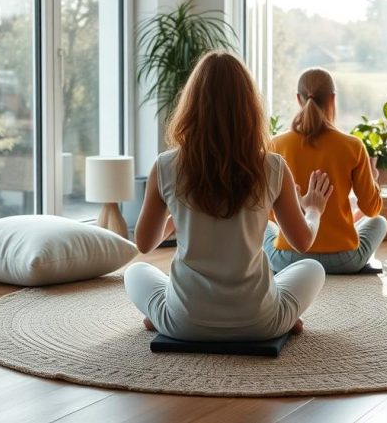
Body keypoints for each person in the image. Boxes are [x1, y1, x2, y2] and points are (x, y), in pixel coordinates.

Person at [124, 51, 334, 342]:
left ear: (191, 106)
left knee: (135, 273)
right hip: (259, 323)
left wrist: (174, 221)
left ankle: (161, 317)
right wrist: (313, 209)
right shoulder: (273, 167)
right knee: (313, 268)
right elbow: (303, 242)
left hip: (184, 322)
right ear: (249, 107)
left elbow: (145, 244)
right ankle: (284, 319)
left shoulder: (165, 165)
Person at [265, 67, 387, 274]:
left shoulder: (275, 144)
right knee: (379, 222)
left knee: (265, 228)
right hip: (344, 260)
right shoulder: (353, 146)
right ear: (332, 99)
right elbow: (371, 210)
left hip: (287, 260)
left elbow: (270, 215)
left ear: (298, 99)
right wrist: (374, 179)